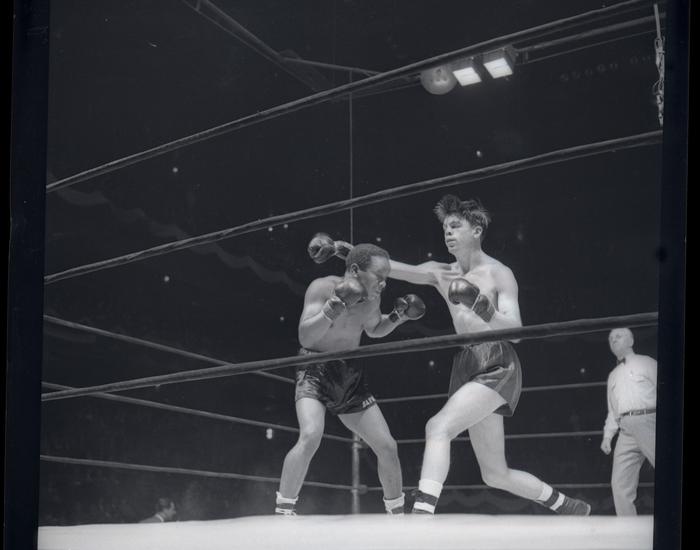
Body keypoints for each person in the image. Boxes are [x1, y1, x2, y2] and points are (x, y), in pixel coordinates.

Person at [313, 195, 591, 515]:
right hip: (466, 363)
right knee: (495, 474)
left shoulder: (499, 274)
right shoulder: (440, 273)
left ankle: (421, 515)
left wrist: (482, 306)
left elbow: (515, 330)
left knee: (438, 427)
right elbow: (393, 268)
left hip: (497, 361)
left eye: (455, 226)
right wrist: (344, 251)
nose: (447, 232)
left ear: (477, 230)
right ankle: (568, 505)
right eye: (445, 227)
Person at [275, 242, 426, 516]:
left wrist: (398, 317)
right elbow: (305, 336)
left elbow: (374, 329)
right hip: (314, 368)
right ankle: (283, 511)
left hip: (349, 373)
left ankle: (397, 515)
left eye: (386, 278)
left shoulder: (373, 300)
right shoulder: (322, 287)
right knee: (310, 435)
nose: (383, 284)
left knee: (387, 445)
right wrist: (335, 306)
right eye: (379, 276)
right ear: (355, 270)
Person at [600, 328, 657, 515]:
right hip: (625, 431)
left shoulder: (647, 362)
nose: (614, 340)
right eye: (611, 338)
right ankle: (627, 527)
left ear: (631, 341)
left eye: (618, 336)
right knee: (619, 483)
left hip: (649, 422)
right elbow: (613, 410)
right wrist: (608, 436)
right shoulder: (613, 375)